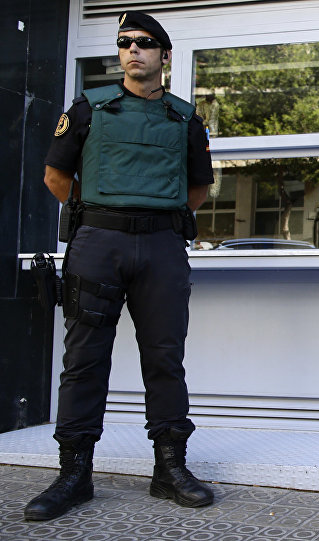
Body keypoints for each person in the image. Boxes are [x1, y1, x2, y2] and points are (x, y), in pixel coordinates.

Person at [25, 11, 215, 521]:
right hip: (98, 244)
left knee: (164, 358)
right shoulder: (88, 108)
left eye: (146, 43)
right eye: (125, 42)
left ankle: (170, 470)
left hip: (161, 248)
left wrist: (151, 217)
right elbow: (54, 176)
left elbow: (197, 188)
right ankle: (73, 475)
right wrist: (100, 216)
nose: (134, 50)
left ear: (164, 56)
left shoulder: (184, 118)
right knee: (84, 359)